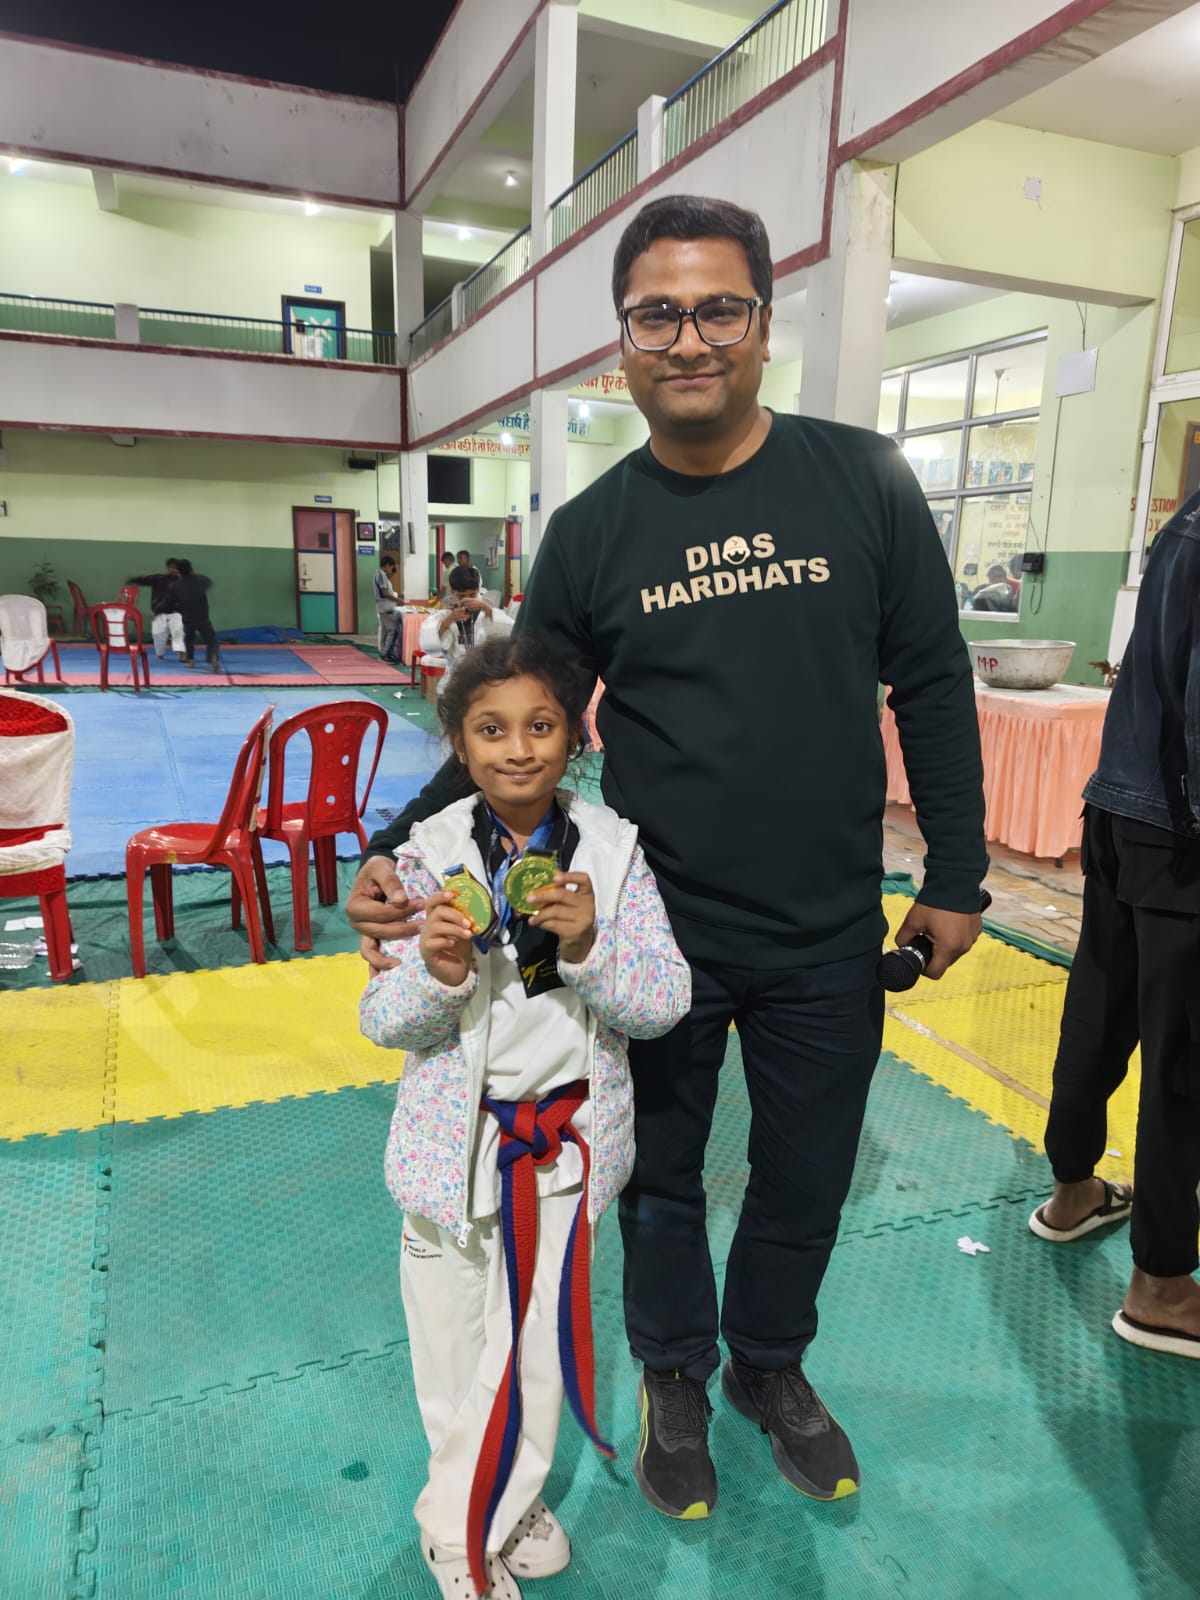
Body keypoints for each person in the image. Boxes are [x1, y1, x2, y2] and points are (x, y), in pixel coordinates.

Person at [347, 194, 987, 1519]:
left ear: (764, 325)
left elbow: (932, 683)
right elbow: (513, 722)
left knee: (807, 1176)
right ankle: (675, 1372)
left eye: (718, 310)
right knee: (657, 1181)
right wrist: (397, 848)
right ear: (623, 341)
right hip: (645, 934)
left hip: (828, 927)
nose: (688, 339)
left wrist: (958, 876)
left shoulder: (864, 481)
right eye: (657, 315)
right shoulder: (592, 533)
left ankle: (771, 1363)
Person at [359, 634, 690, 1598]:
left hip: (561, 1152)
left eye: (541, 725)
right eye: (491, 729)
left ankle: (466, 1534)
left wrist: (589, 948)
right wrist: (435, 974)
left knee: (532, 1350)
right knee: (452, 1350)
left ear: (574, 737)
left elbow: (664, 1003)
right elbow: (381, 1019)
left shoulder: (615, 855)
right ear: (460, 745)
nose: (518, 748)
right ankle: (500, 1501)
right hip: (447, 1150)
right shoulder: (424, 860)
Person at [1029, 490, 1200, 1361]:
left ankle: (1073, 1192)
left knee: (1098, 1015)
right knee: (1183, 1066)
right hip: (1184, 835)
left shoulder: (1188, 520)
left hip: (1124, 810)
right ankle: (1162, 1285)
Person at [418, 564, 513, 693]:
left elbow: (512, 633)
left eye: (472, 595)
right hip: (455, 680)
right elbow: (429, 646)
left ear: (478, 590)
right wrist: (448, 621)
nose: (467, 600)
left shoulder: (489, 614)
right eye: (461, 596)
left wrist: (486, 609)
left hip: (484, 679)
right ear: (452, 593)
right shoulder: (444, 617)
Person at [169, 558, 222, 671]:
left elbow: (172, 602)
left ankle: (191, 661)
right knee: (210, 639)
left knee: (189, 639)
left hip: (187, 616)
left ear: (178, 571)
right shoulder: (201, 580)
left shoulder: (176, 586)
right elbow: (208, 582)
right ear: (191, 569)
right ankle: (214, 659)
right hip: (202, 616)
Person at [125, 558, 185, 658]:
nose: (174, 570)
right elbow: (143, 580)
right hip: (159, 612)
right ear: (168, 568)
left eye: (176, 568)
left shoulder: (183, 581)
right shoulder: (158, 578)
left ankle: (182, 653)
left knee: (178, 631)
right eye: (172, 567)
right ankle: (159, 653)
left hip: (176, 612)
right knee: (157, 634)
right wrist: (133, 580)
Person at [373, 554, 402, 657]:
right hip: (385, 607)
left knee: (384, 631)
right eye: (391, 567)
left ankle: (382, 651)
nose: (391, 571)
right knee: (392, 630)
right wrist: (398, 600)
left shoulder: (379, 574)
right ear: (387, 565)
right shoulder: (381, 574)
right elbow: (385, 593)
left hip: (383, 606)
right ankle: (386, 653)